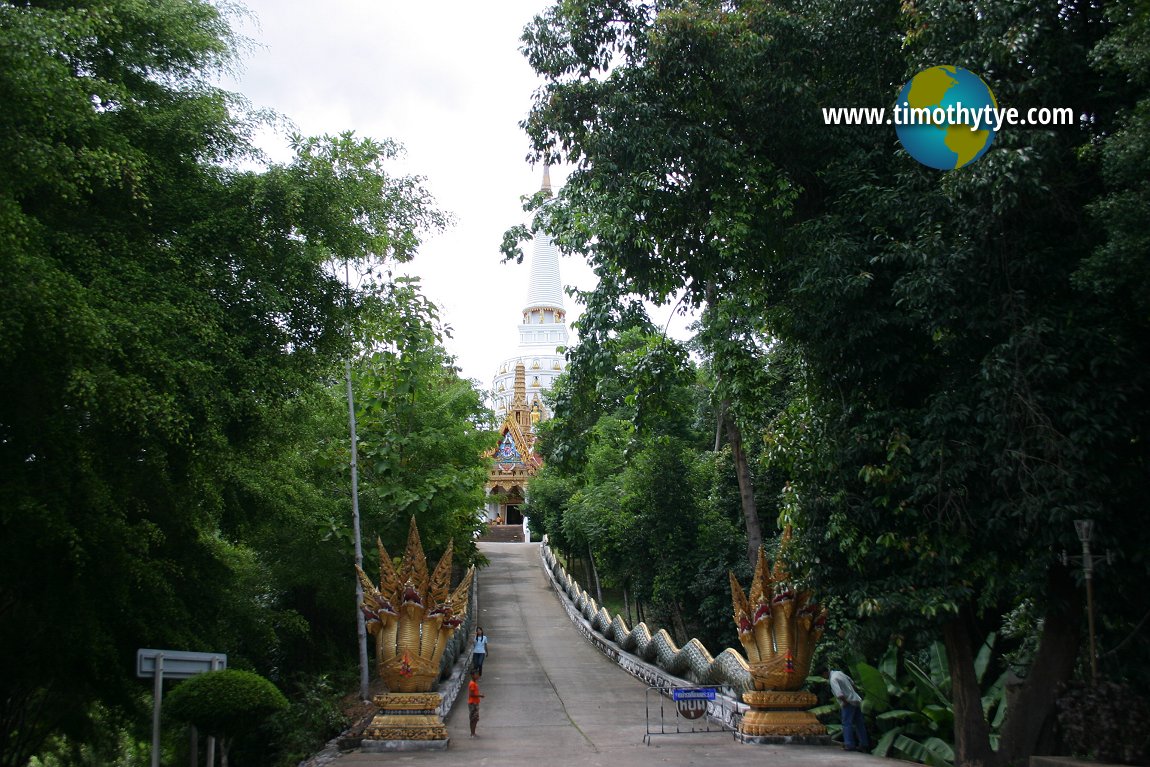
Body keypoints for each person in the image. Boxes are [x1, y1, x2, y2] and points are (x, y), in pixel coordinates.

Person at [828, 665, 869, 752]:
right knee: (859, 723)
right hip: (855, 699)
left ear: (824, 674)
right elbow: (852, 683)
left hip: (848, 702)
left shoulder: (833, 679)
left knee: (847, 724)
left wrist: (845, 702)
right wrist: (852, 693)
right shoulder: (839, 673)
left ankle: (849, 744)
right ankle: (863, 744)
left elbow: (839, 694)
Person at [467, 671, 484, 737]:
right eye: (476, 674)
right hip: (473, 703)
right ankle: (472, 733)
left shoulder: (474, 683)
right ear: (472, 675)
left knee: (475, 718)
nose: (477, 676)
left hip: (475, 702)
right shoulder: (472, 684)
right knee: (473, 718)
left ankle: (473, 732)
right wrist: (480, 695)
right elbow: (471, 694)